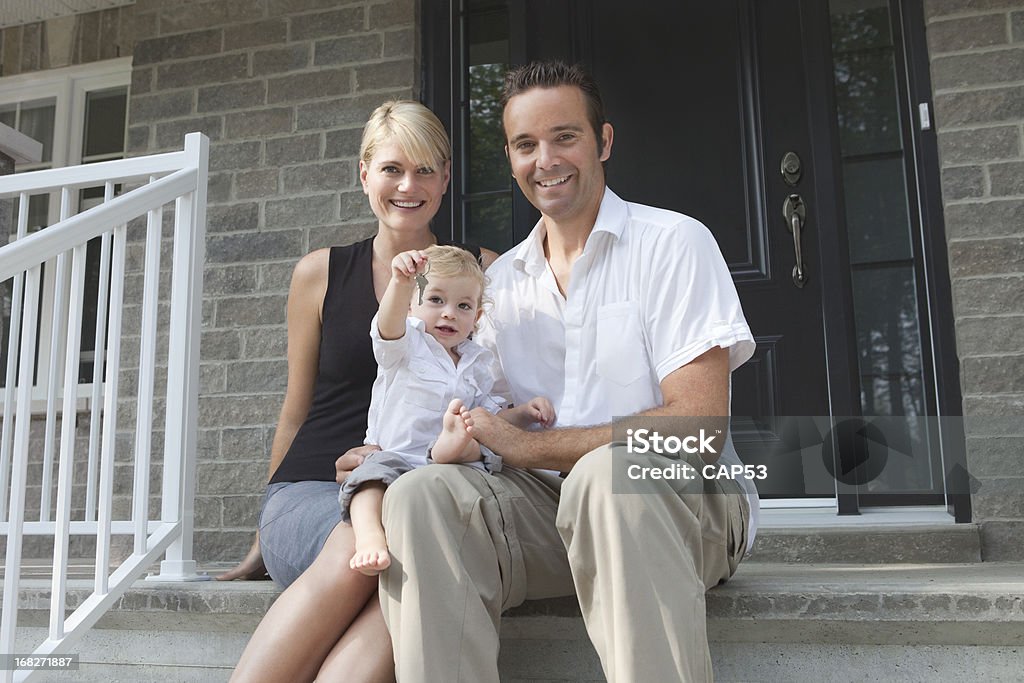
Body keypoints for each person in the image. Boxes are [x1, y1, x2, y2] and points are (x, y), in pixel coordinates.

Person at [376, 61, 759, 682]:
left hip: (684, 504)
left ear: (603, 141)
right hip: (548, 512)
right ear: (510, 158)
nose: (545, 158)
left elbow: (698, 427)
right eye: (526, 144)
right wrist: (387, 451)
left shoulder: (673, 243)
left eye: (565, 136)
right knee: (420, 496)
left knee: (606, 479)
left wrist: (535, 447)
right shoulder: (497, 286)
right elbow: (474, 413)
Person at [225, 100, 497, 683]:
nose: (409, 185)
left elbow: (488, 391)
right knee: (369, 546)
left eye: (426, 170)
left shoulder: (478, 274)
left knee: (408, 556)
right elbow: (297, 405)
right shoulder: (319, 272)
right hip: (313, 491)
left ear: (446, 178)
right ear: (364, 173)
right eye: (393, 168)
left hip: (416, 488)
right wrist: (261, 531)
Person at [344, 244, 554, 575]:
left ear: (478, 318)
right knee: (368, 481)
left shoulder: (476, 362)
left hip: (445, 472)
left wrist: (525, 413)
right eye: (436, 300)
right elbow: (387, 325)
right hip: (397, 454)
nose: (449, 313)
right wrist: (400, 283)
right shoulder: (405, 345)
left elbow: (491, 417)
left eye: (464, 306)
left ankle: (451, 447)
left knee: (479, 433)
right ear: (412, 306)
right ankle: (369, 538)